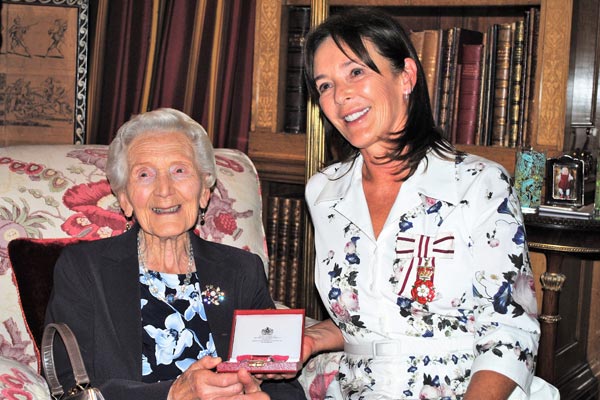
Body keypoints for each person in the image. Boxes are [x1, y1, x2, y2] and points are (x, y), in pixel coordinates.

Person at [298, 8, 559, 399]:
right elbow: (377, 314)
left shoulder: (478, 185)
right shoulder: (323, 192)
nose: (341, 95)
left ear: (405, 76)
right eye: (324, 85)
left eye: (356, 72)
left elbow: (511, 333)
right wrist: (313, 337)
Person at [45, 108, 305, 400]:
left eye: (179, 170)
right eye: (145, 174)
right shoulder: (84, 270)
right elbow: (71, 389)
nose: (164, 190)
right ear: (125, 200)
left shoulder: (242, 270)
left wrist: (261, 394)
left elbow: (283, 382)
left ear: (204, 192)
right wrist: (173, 394)